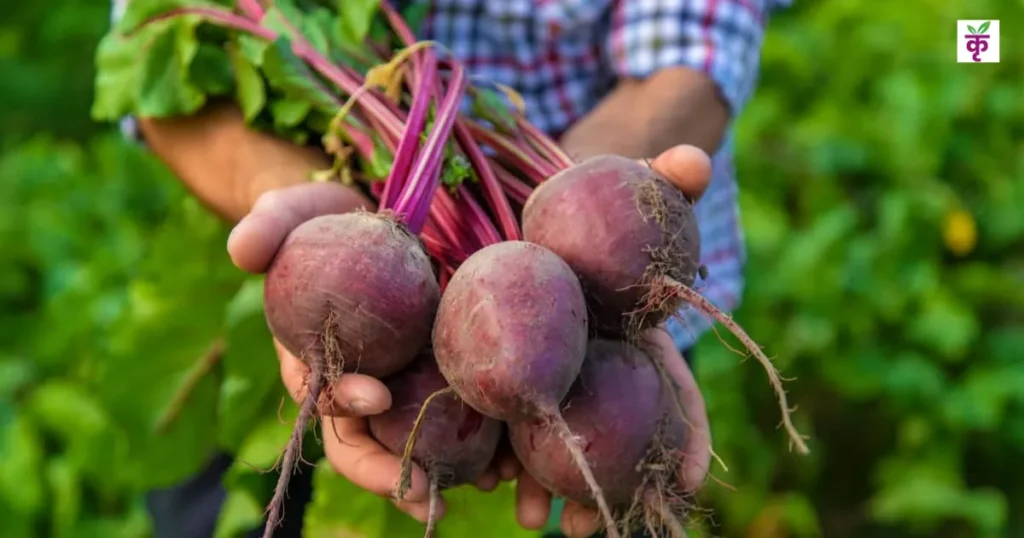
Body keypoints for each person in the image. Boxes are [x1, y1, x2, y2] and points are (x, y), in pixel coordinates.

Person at [112, 0, 789, 536]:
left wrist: (577, 218)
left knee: (599, 454)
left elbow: (689, 61)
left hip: (619, 313)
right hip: (318, 267)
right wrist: (281, 193)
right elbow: (146, 64)